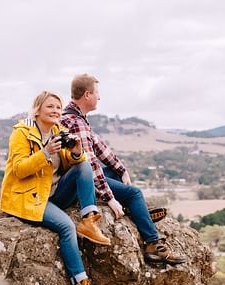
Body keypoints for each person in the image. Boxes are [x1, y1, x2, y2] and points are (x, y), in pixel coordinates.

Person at [60, 74, 187, 265]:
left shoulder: (78, 117)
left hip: (82, 178)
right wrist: (111, 200)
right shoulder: (75, 122)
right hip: (78, 183)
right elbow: (91, 164)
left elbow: (100, 148)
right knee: (134, 193)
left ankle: (138, 213)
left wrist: (122, 170)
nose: (99, 97)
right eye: (97, 93)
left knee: (115, 176)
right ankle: (153, 243)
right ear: (87, 95)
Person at [0, 90, 109, 285]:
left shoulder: (60, 131)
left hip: (56, 193)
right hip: (30, 198)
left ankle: (88, 219)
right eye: (50, 107)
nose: (56, 111)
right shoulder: (21, 133)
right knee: (67, 227)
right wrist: (45, 152)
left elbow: (73, 163)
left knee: (84, 165)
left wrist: (77, 152)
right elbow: (19, 170)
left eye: (59, 108)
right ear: (38, 109)